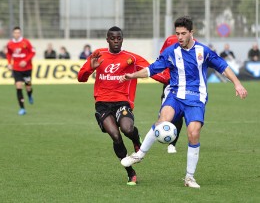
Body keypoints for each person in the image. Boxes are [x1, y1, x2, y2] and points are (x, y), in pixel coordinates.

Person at [120, 16, 248, 188]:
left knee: (193, 133)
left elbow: (222, 66)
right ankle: (139, 154)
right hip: (175, 94)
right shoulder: (171, 52)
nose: (179, 37)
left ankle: (189, 177)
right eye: (177, 33)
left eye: (183, 33)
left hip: (196, 97)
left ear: (191, 33)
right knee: (163, 120)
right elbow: (151, 69)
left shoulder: (204, 51)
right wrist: (133, 75)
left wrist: (237, 83)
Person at [78, 26, 169, 186]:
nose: (116, 41)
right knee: (115, 135)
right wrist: (90, 69)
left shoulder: (131, 58)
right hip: (102, 104)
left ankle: (135, 138)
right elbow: (81, 78)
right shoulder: (98, 55)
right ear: (107, 39)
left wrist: (169, 80)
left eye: (118, 38)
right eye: (112, 38)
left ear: (122, 39)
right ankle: (130, 172)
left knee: (127, 129)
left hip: (122, 101)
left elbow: (151, 70)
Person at [159, 35, 184, 154]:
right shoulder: (169, 40)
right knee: (164, 115)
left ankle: (172, 144)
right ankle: (145, 146)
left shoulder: (193, 42)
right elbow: (162, 55)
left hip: (186, 84)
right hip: (170, 82)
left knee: (179, 115)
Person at [7, 26, 36, 115]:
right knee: (18, 86)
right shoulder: (10, 44)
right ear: (13, 33)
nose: (17, 34)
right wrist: (9, 63)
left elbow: (33, 52)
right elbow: (9, 54)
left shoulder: (26, 42)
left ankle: (29, 94)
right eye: (15, 32)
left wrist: (25, 61)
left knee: (28, 86)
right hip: (16, 69)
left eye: (18, 32)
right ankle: (22, 108)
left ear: (20, 33)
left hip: (27, 68)